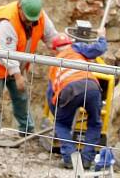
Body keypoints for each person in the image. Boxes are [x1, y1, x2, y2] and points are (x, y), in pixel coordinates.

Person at [0, 0, 58, 144]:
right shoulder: (8, 21)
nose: (29, 23)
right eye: (27, 19)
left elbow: (52, 38)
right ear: (20, 9)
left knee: (21, 95)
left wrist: (62, 51)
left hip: (15, 61)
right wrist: (18, 76)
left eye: (33, 21)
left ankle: (27, 130)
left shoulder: (39, 18)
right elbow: (7, 53)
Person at [47, 27, 107, 170]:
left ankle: (70, 159)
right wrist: (102, 37)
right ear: (70, 42)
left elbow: (51, 95)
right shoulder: (76, 48)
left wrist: (58, 115)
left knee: (61, 124)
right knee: (94, 123)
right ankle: (86, 160)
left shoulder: (54, 65)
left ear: (55, 50)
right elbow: (99, 49)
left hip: (68, 90)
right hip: (92, 87)